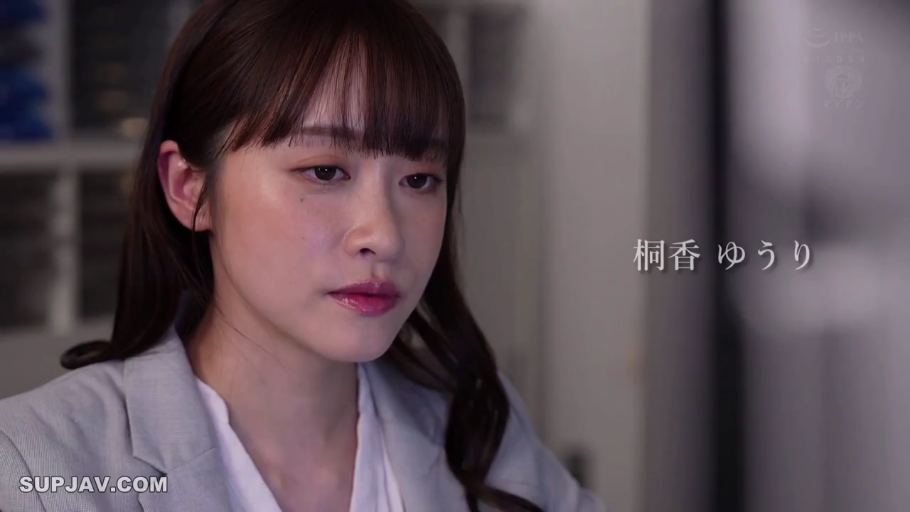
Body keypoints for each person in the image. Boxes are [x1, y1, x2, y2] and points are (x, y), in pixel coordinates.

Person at [0, 1, 608, 511]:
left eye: (420, 179)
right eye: (324, 171)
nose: (385, 236)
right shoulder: (36, 462)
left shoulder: (476, 424)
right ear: (189, 188)